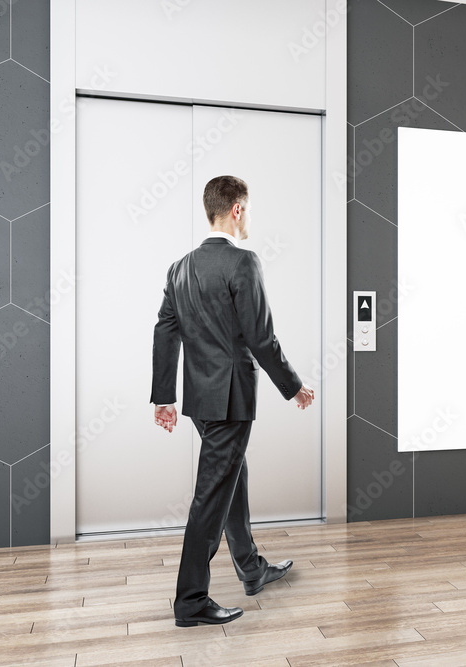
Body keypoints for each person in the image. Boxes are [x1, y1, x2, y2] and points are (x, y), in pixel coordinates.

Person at [149, 175, 315, 627]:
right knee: (211, 496)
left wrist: (164, 396)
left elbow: (166, 330)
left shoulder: (180, 267)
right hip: (232, 399)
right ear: (237, 209)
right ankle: (190, 602)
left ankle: (250, 567)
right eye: (249, 209)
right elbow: (261, 338)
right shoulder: (243, 262)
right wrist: (294, 385)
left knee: (232, 475)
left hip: (200, 403)